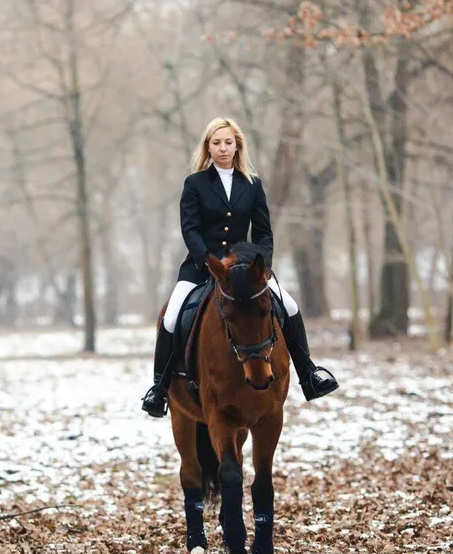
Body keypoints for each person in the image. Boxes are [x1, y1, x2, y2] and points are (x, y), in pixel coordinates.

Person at [141, 117, 339, 417]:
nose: (222, 148)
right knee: (171, 318)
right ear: (208, 146)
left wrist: (261, 265)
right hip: (201, 267)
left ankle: (309, 374)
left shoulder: (252, 184)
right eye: (216, 143)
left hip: (245, 269)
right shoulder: (195, 183)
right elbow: (190, 230)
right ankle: (159, 388)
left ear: (237, 146)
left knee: (292, 306)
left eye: (228, 142)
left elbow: (263, 232)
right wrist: (208, 261)